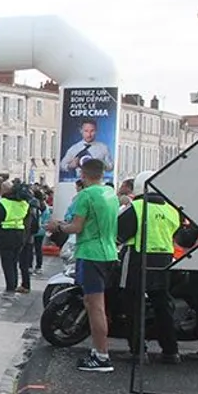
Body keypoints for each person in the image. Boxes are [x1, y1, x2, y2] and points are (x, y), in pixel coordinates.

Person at [49, 157, 119, 373]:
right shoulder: (110, 193)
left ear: (83, 175)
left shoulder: (85, 195)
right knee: (98, 305)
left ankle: (101, 356)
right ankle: (99, 351)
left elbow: (77, 227)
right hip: (108, 251)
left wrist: (58, 227)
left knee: (94, 305)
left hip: (91, 253)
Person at [119, 180, 181, 364]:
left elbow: (119, 233)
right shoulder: (171, 210)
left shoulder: (137, 207)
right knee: (163, 305)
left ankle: (138, 351)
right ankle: (171, 351)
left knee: (134, 305)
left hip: (138, 259)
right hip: (164, 261)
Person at [0, 180, 37, 295]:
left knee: (7, 262)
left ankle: (10, 286)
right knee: (14, 261)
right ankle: (14, 284)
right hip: (20, 234)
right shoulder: (24, 203)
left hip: (5, 234)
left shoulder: (3, 203)